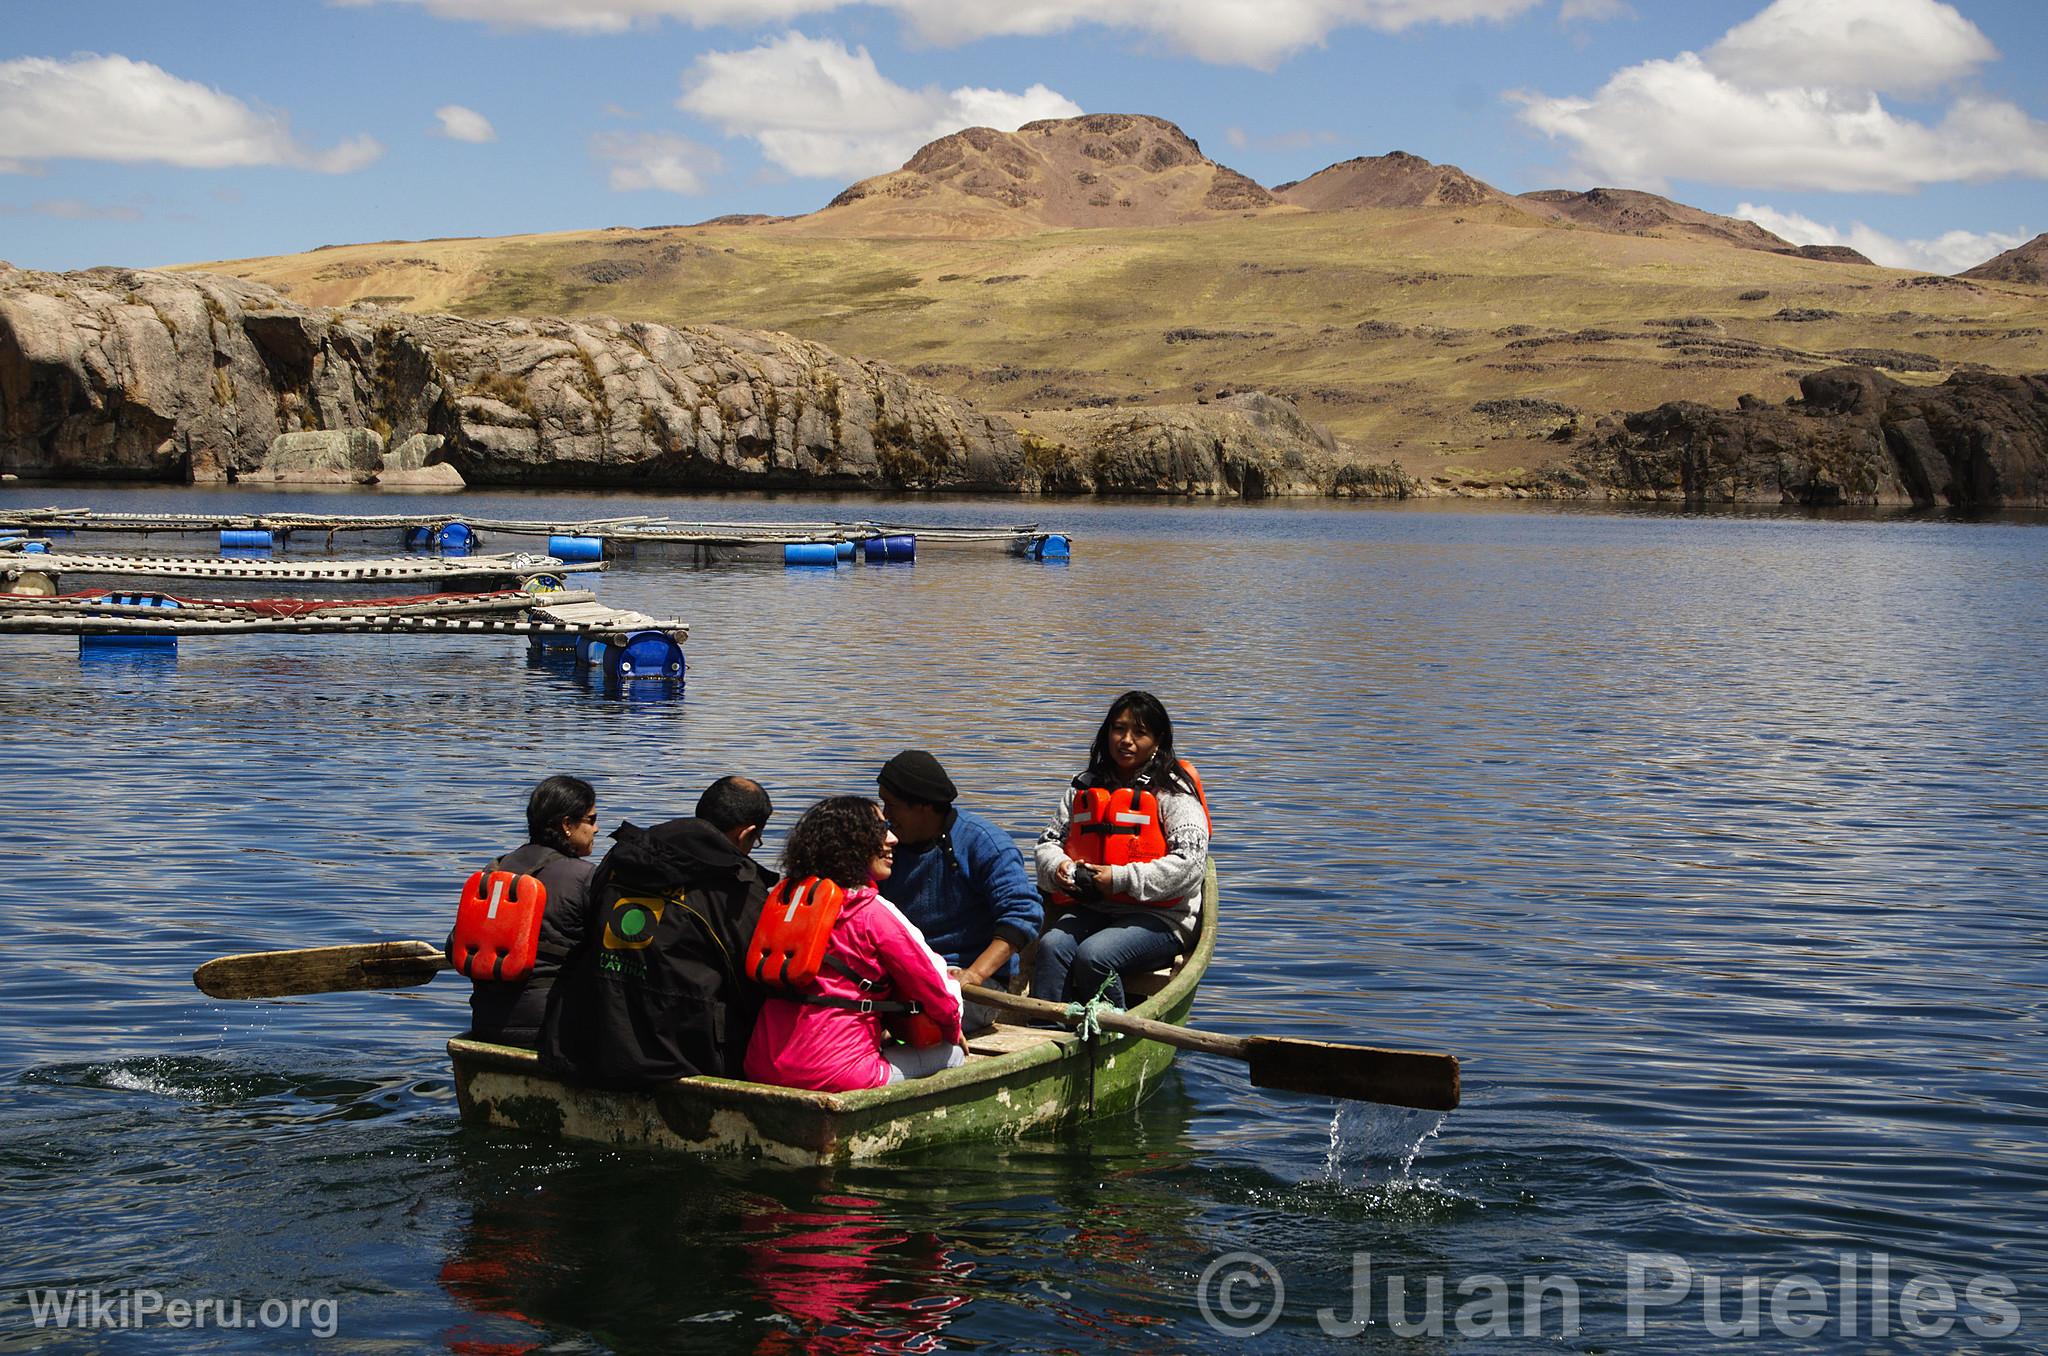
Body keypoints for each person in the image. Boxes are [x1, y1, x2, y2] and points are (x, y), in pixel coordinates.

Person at [537, 775, 776, 1087]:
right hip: (682, 1057)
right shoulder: (736, 886)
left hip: (596, 1043)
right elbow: (752, 983)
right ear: (747, 833)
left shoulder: (623, 856)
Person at [744, 796, 966, 1092]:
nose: (893, 839)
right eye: (880, 830)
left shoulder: (785, 903)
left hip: (761, 1066)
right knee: (952, 1054)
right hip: (837, 1075)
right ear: (851, 843)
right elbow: (936, 992)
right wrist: (952, 1030)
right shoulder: (870, 911)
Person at [1031, 692, 1210, 1009]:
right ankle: (1045, 1028)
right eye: (1118, 729)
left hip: (1162, 917)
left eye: (1139, 732)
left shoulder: (1173, 790)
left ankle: (1114, 1031)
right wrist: (1059, 868)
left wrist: (1119, 878)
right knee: (1051, 946)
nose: (1126, 740)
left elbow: (1191, 865)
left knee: (1095, 956)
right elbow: (1048, 843)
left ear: (1157, 741)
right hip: (1095, 907)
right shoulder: (1085, 786)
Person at [875, 749, 1042, 1029]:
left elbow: (1023, 915)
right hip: (906, 973)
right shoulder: (888, 846)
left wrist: (974, 974)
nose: (885, 815)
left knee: (915, 1023)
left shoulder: (984, 843)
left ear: (924, 806)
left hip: (970, 983)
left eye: (891, 805)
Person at [459, 775, 599, 1047]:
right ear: (567, 825)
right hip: (552, 1027)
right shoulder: (585, 877)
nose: (596, 829)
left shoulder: (494, 870)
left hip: (485, 1021)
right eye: (591, 820)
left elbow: (457, 946)